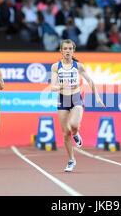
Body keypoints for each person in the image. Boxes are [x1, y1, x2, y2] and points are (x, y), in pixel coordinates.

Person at [50, 39, 105, 172]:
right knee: (65, 134)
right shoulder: (55, 67)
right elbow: (52, 87)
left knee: (74, 125)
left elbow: (90, 81)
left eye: (70, 49)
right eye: (65, 49)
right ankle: (71, 160)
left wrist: (97, 96)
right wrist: (61, 86)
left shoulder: (78, 66)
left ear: (73, 50)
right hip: (62, 100)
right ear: (61, 51)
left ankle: (76, 134)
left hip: (76, 99)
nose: (68, 51)